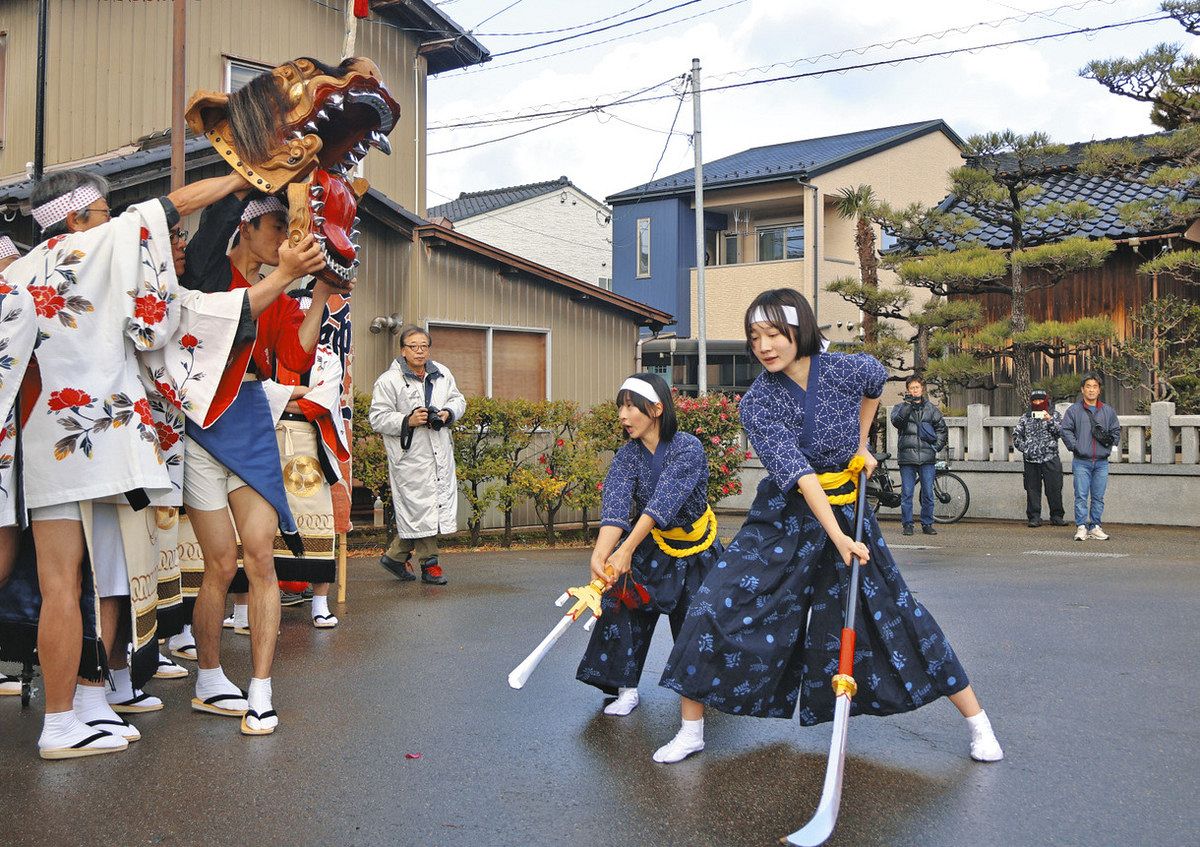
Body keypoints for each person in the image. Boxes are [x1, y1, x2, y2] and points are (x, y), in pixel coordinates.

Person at [658, 288, 1003, 765]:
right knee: (712, 604)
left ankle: (978, 723)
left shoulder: (845, 368)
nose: (764, 346)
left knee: (894, 613)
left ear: (799, 327)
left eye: (774, 333)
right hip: (784, 517)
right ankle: (691, 730)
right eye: (755, 336)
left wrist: (861, 444)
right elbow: (798, 475)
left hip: (849, 511)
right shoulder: (757, 402)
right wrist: (838, 538)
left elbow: (875, 385)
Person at [3, 167, 252, 758]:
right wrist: (237, 178)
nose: (114, 215)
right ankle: (62, 722)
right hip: (101, 435)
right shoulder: (97, 242)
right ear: (75, 214)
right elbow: (168, 207)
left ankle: (85, 706)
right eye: (103, 208)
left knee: (73, 583)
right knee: (95, 582)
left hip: (44, 439)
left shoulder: (14, 272)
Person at [178, 192, 330, 736]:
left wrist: (319, 298)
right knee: (219, 564)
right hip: (200, 422)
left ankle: (262, 690)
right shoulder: (206, 270)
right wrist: (258, 171)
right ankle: (209, 676)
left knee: (260, 557)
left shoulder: (280, 288)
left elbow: (295, 358)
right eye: (274, 225)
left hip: (247, 414)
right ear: (243, 228)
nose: (283, 238)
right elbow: (220, 217)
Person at [577, 373, 722, 718]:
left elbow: (662, 503)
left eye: (630, 407)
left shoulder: (688, 447)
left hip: (696, 549)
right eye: (620, 408)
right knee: (623, 606)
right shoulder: (628, 456)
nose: (623, 416)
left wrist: (625, 550)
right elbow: (615, 504)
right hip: (652, 545)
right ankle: (626, 689)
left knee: (696, 624)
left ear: (656, 408)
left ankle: (703, 690)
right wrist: (601, 554)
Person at [370, 326, 465, 586]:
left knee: (428, 509)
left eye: (424, 345)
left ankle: (395, 556)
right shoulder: (389, 380)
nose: (420, 350)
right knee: (420, 509)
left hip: (439, 453)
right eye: (413, 346)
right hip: (411, 457)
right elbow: (377, 418)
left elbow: (459, 400)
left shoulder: (442, 373)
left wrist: (447, 412)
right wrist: (408, 419)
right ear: (403, 350)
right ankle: (430, 564)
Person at [1060, 374, 1120, 541]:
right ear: (1082, 389)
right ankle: (1081, 527)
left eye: (1095, 386)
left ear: (1099, 390)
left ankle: (1095, 526)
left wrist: (1109, 445)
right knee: (1081, 494)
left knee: (1098, 496)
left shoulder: (1108, 411)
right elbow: (1065, 430)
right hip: (1081, 461)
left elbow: (1116, 431)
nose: (1091, 389)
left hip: (1101, 461)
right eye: (1088, 386)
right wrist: (1076, 446)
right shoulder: (1074, 410)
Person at [889, 375, 947, 536]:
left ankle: (927, 524)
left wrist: (935, 447)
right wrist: (907, 406)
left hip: (927, 458)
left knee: (928, 493)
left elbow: (942, 430)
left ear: (922, 389)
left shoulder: (932, 409)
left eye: (917, 387)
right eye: (911, 388)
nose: (914, 391)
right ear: (907, 390)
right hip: (907, 457)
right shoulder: (900, 407)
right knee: (907, 493)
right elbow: (897, 422)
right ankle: (907, 524)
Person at [1013, 389, 1067, 528]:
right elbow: (1016, 436)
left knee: (1054, 488)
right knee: (1032, 489)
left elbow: (1060, 432)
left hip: (1050, 457)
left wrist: (1049, 420)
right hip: (1031, 459)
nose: (1037, 403)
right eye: (1035, 400)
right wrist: (1026, 449)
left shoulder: (1054, 415)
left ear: (1046, 400)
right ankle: (1034, 517)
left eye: (1040, 400)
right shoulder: (1025, 417)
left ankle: (1056, 516)